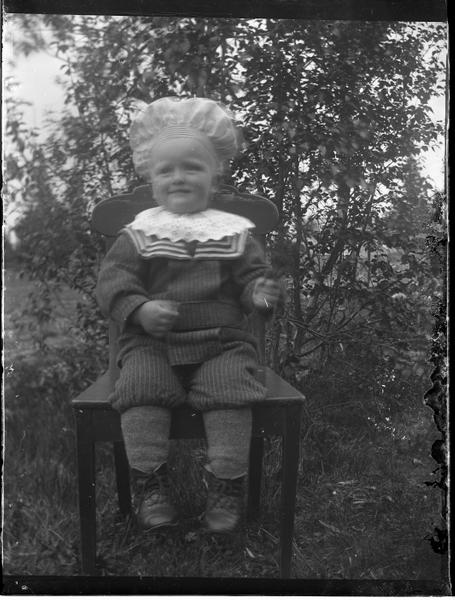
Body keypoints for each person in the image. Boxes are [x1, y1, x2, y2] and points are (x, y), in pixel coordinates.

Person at [96, 97, 282, 534]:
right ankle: (150, 485)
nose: (178, 177)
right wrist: (139, 309)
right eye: (166, 170)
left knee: (231, 388)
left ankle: (226, 486)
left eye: (192, 167)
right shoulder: (138, 233)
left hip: (222, 342)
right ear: (151, 178)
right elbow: (113, 279)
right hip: (152, 343)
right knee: (141, 386)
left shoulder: (234, 234)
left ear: (215, 173)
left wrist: (261, 294)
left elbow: (252, 280)